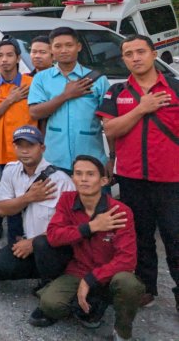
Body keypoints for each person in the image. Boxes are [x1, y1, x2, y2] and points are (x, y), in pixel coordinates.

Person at [99, 34, 179, 312]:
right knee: (140, 236)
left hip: (172, 179)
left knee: (175, 237)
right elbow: (110, 130)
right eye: (128, 53)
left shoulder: (176, 88)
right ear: (123, 59)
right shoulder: (118, 92)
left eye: (141, 51)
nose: (135, 57)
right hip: (132, 178)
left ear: (154, 53)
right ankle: (147, 287)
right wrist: (142, 109)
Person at [37, 156, 144, 339]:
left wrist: (90, 279)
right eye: (78, 174)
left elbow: (127, 259)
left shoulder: (120, 211)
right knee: (50, 305)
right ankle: (87, 306)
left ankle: (122, 332)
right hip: (78, 269)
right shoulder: (67, 200)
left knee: (129, 284)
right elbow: (53, 237)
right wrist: (91, 227)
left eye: (90, 174)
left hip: (110, 274)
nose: (84, 179)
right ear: (73, 179)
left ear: (104, 180)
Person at [0, 126, 75, 323]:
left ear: (42, 148)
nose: (25, 151)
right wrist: (28, 197)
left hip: (55, 247)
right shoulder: (11, 171)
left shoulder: (61, 181)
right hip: (30, 245)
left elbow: (71, 227)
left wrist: (33, 242)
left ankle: (53, 290)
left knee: (43, 245)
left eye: (31, 146)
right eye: (20, 146)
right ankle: (45, 275)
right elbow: (1, 209)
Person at [27, 27, 109, 173]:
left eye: (69, 45)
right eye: (58, 46)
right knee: (58, 196)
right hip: (55, 159)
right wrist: (65, 95)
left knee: (96, 196)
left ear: (78, 47)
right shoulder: (41, 78)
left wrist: (112, 157)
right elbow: (34, 112)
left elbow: (110, 122)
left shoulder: (98, 80)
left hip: (92, 158)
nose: (63, 50)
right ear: (51, 49)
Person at [0, 40, 36, 170]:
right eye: (0, 55)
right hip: (3, 151)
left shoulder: (31, 83)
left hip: (29, 149)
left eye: (9, 55)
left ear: (18, 58)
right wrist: (9, 100)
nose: (4, 59)